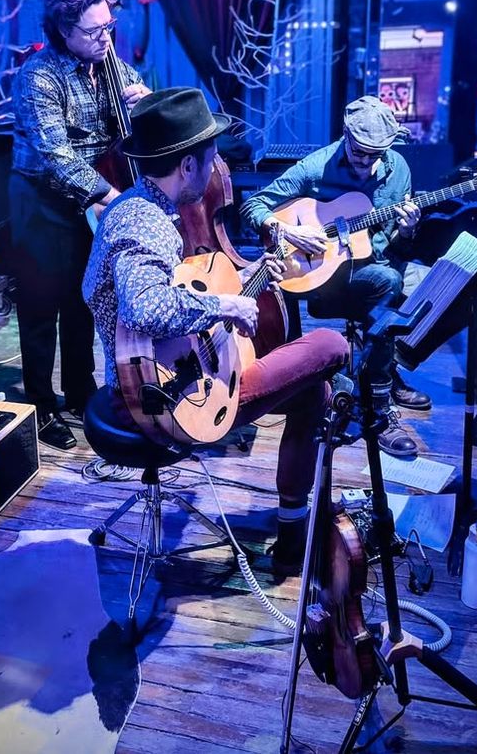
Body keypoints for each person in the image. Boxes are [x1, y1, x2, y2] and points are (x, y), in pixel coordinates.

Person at [83, 87, 349, 576]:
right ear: (187, 165)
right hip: (163, 399)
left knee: (314, 390)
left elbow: (166, 301)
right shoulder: (144, 222)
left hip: (167, 375)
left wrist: (239, 288)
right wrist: (224, 305)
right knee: (332, 346)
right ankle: (298, 533)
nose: (214, 170)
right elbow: (144, 307)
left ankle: (294, 531)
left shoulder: (139, 207)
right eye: (211, 159)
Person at [240, 95, 432, 458]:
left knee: (405, 283)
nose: (366, 163)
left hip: (373, 267)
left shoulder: (399, 170)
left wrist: (408, 230)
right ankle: (356, 397)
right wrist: (286, 230)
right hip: (321, 280)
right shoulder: (316, 167)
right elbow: (253, 205)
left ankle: (380, 390)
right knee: (385, 283)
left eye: (376, 154)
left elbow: (398, 244)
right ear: (345, 135)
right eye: (359, 152)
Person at [10, 0, 151, 450]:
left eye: (109, 27)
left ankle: (78, 389)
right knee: (39, 307)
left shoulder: (110, 64)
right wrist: (116, 198)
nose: (105, 38)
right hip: (42, 200)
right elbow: (58, 155)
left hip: (95, 198)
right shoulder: (38, 76)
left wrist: (145, 103)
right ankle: (40, 405)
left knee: (82, 298)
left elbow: (140, 116)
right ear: (63, 30)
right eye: (94, 31)